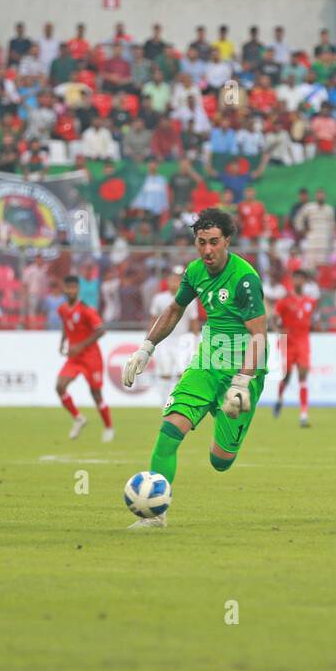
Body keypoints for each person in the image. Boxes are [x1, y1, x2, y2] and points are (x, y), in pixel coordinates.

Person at [120, 208, 268, 529]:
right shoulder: (195, 272)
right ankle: (155, 515)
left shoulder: (245, 280)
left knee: (220, 462)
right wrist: (147, 347)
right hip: (206, 366)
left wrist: (242, 382)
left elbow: (259, 337)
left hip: (242, 372)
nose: (208, 250)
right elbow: (174, 310)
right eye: (201, 242)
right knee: (170, 430)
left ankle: (224, 418)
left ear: (227, 241)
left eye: (214, 242)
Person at [56, 274, 113, 442]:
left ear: (78, 289)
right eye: (68, 287)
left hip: (91, 357)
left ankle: (108, 427)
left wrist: (80, 346)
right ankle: (78, 418)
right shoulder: (62, 309)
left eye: (74, 287)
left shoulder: (87, 310)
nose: (71, 290)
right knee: (60, 386)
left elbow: (101, 330)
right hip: (74, 358)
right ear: (64, 289)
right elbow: (66, 325)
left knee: (95, 393)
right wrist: (62, 342)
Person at [272, 269, 317, 427]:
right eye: (295, 278)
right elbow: (274, 317)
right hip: (288, 343)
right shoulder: (285, 301)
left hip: (303, 341)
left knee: (303, 376)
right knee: (287, 376)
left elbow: (312, 320)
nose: (298, 281)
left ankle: (303, 415)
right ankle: (279, 399)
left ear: (304, 281)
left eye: (300, 279)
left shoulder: (310, 302)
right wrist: (279, 330)